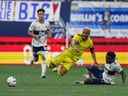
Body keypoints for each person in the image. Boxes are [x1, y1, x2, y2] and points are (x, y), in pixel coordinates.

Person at [28, 8, 51, 78]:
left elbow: (49, 31)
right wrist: (34, 36)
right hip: (35, 44)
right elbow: (29, 32)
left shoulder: (47, 23)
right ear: (37, 15)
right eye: (39, 14)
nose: (41, 15)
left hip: (43, 43)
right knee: (36, 59)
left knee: (44, 58)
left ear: (44, 15)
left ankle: (43, 74)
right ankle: (33, 58)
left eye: (42, 14)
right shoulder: (34, 23)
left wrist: (49, 35)